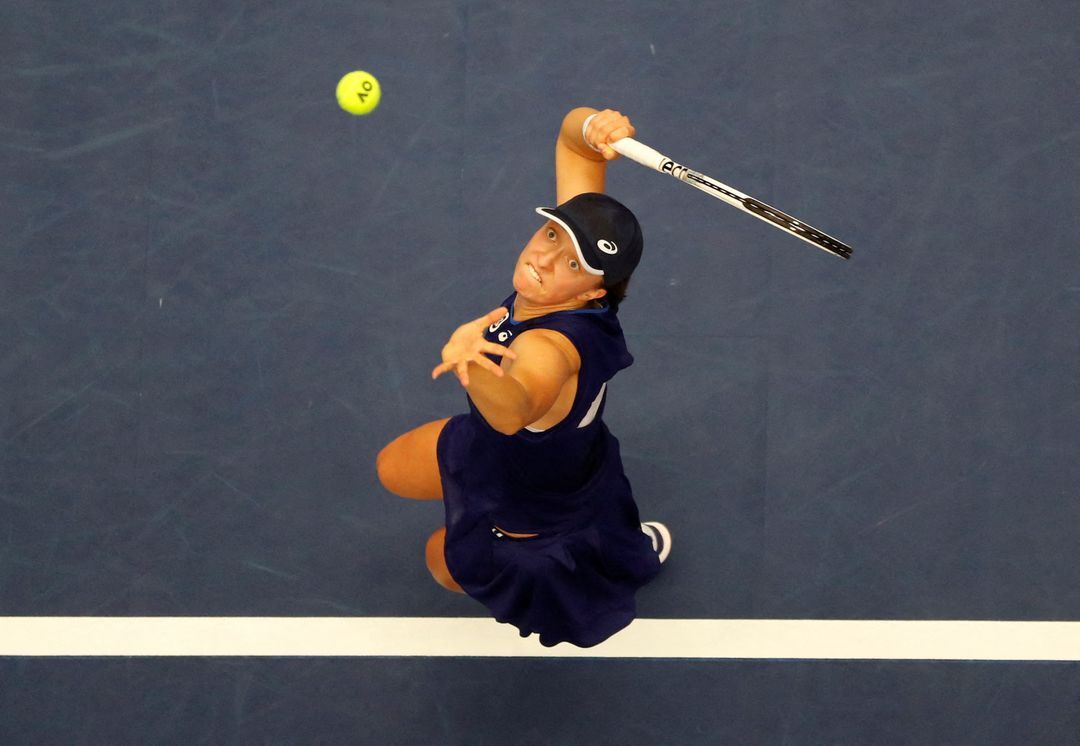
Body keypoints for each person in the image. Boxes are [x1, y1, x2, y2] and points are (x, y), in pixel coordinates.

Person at [376, 106, 670, 648]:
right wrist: (593, 127)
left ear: (592, 292)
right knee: (390, 469)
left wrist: (470, 362)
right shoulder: (569, 291)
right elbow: (575, 144)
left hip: (531, 497)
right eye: (553, 233)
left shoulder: (550, 347)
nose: (546, 257)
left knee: (442, 563)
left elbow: (514, 409)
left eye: (573, 263)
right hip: (492, 448)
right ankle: (617, 538)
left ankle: (622, 553)